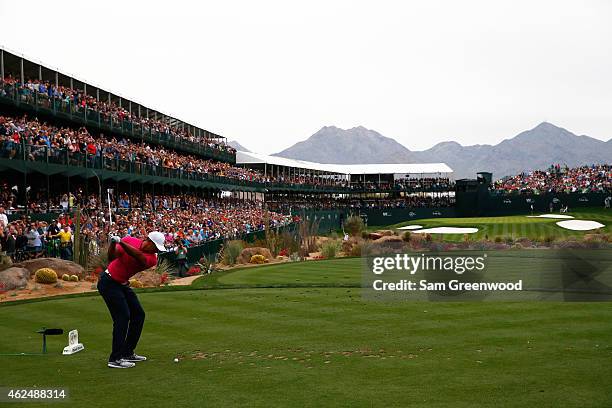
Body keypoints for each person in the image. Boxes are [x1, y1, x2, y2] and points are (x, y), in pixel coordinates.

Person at [97, 231, 165, 369]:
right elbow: (111, 257)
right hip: (108, 282)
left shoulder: (152, 259)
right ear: (149, 241)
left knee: (139, 315)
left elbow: (138, 256)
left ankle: (127, 352)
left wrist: (121, 242)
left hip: (121, 284)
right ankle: (115, 358)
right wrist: (113, 243)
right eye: (156, 247)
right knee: (122, 317)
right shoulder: (130, 240)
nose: (157, 251)